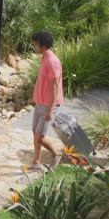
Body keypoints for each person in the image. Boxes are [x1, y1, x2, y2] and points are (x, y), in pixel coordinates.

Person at [31, 31, 64, 169]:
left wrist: (50, 110)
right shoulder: (44, 58)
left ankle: (56, 154)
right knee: (35, 132)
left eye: (35, 44)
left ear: (43, 46)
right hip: (40, 103)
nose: (34, 46)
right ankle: (36, 161)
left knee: (40, 136)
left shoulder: (51, 62)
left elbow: (55, 87)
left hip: (48, 105)